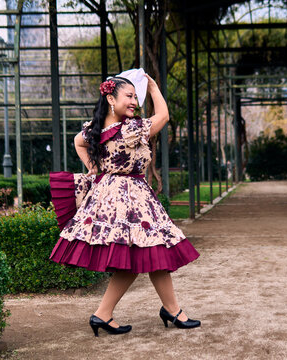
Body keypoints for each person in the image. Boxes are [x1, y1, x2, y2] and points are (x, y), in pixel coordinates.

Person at [49, 69, 201, 337]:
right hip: (130, 199)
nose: (134, 102)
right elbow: (163, 116)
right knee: (148, 252)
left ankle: (122, 313)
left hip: (111, 195)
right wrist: (153, 87)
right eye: (129, 96)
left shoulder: (96, 130)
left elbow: (78, 141)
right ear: (111, 98)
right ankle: (146, 311)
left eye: (136, 97)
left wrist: (93, 166)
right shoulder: (131, 129)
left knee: (151, 254)